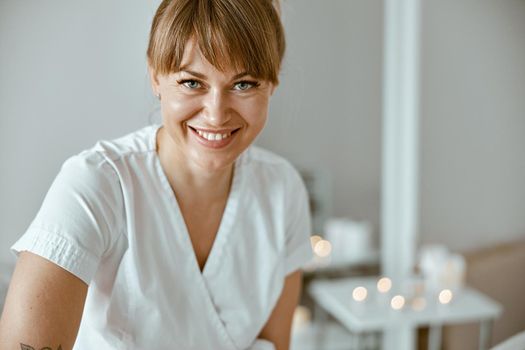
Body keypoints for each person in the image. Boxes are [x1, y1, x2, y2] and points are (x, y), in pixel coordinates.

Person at [0, 0, 312, 349]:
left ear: (272, 83)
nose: (215, 114)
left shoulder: (283, 190)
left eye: (244, 85)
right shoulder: (96, 183)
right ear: (155, 77)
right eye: (192, 82)